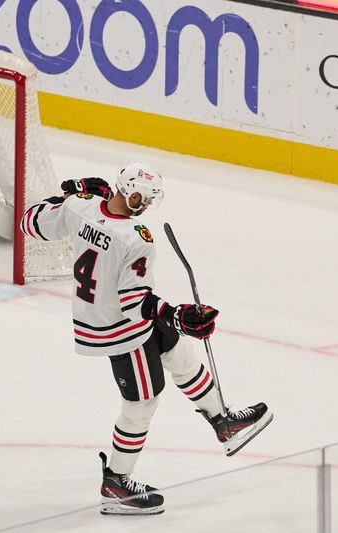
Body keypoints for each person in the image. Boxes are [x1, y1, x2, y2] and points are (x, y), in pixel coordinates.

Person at [21, 164, 272, 515]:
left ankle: (223, 422)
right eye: (139, 196)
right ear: (124, 189)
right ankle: (116, 484)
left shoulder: (81, 205)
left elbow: (30, 222)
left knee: (180, 354)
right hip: (118, 328)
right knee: (142, 403)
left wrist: (66, 196)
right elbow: (134, 303)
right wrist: (175, 314)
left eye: (149, 198)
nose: (144, 204)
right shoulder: (137, 237)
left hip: (107, 315)